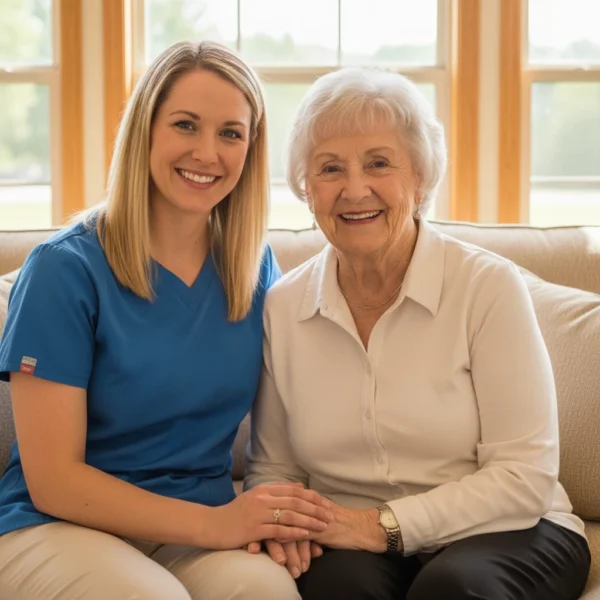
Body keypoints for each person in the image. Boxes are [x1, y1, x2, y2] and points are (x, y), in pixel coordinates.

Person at [0, 41, 333, 600]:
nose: (208, 152)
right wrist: (219, 525)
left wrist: (279, 518)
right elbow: (54, 480)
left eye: (231, 132)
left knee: (266, 593)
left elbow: (284, 432)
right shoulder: (64, 270)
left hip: (196, 525)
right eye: (186, 125)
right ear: (146, 131)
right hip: (56, 526)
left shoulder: (254, 269)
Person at [245, 67, 591, 600]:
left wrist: (376, 526)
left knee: (451, 589)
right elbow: (274, 467)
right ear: (306, 189)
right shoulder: (283, 306)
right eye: (330, 168)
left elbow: (524, 479)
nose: (354, 188)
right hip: (346, 537)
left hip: (510, 528)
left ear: (421, 179)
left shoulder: (486, 286)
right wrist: (285, 525)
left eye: (379, 163)